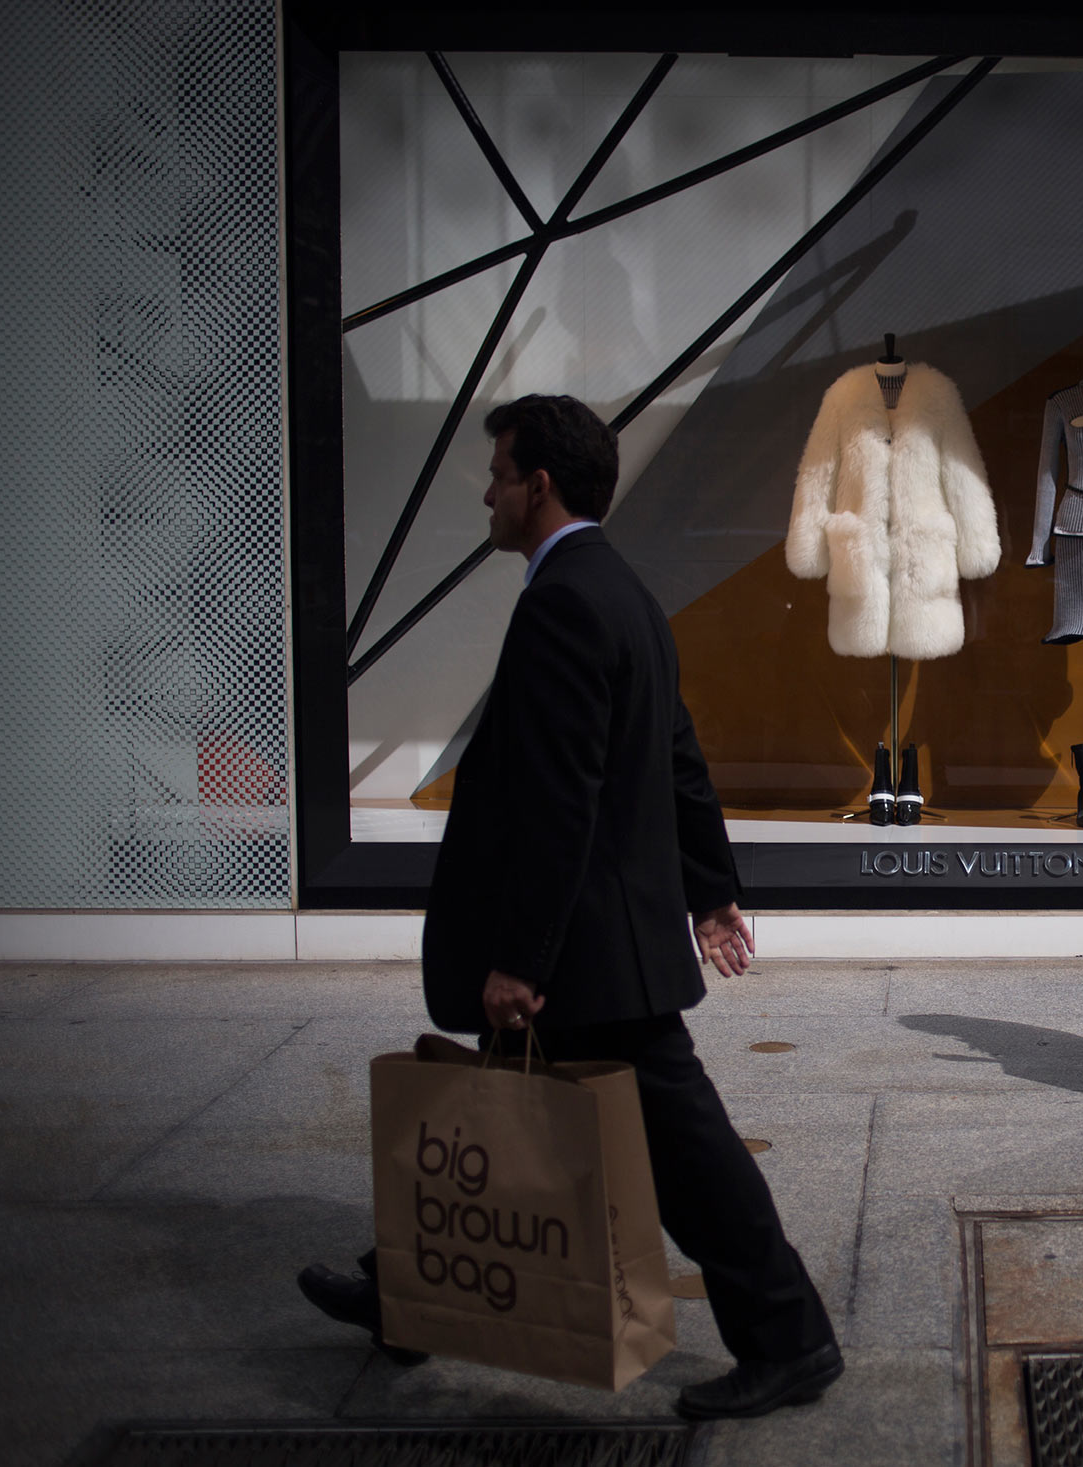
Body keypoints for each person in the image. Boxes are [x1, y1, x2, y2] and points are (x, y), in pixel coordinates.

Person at [297, 395, 841, 1419]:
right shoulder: (622, 590)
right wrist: (712, 892)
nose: (489, 493)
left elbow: (559, 801)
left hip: (589, 956)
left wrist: (522, 960)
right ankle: (404, 1292)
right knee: (490, 1113)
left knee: (690, 1162)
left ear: (538, 484)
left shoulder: (564, 600)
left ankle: (791, 1338)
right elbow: (676, 756)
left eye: (498, 474)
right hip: (607, 941)